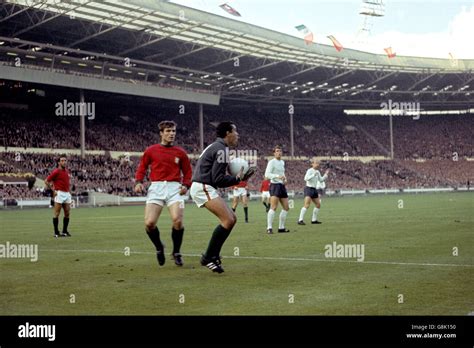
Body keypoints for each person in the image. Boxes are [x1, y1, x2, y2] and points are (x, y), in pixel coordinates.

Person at [190, 122, 255, 273]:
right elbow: (218, 179)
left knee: (231, 219)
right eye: (235, 131)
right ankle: (208, 257)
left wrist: (238, 179)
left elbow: (216, 178)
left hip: (203, 185)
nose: (237, 135)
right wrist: (238, 179)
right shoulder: (222, 150)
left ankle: (213, 255)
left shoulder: (217, 147)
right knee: (228, 220)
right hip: (202, 186)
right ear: (227, 133)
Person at [134, 120, 192, 267]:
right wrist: (138, 181)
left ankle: (176, 252)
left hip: (175, 189)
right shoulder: (151, 150)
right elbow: (142, 166)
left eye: (173, 131)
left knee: (177, 220)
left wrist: (186, 185)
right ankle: (159, 247)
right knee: (149, 223)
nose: (171, 134)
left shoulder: (181, 152)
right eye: (168, 131)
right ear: (161, 133)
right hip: (156, 188)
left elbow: (187, 172)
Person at [45, 155, 72, 238]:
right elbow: (46, 181)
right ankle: (56, 232)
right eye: (62, 160)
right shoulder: (56, 171)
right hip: (59, 193)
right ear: (59, 162)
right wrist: (53, 191)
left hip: (67, 193)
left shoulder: (67, 171)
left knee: (67, 213)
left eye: (65, 160)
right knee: (57, 213)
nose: (64, 162)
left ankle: (64, 231)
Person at [264, 146, 290, 234]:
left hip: (281, 185)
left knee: (286, 207)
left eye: (280, 151)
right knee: (274, 207)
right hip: (274, 185)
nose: (279, 152)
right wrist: (276, 176)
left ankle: (281, 228)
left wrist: (285, 179)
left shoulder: (282, 162)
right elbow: (267, 174)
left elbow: (282, 173)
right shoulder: (271, 162)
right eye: (277, 151)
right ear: (274, 153)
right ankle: (269, 228)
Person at [298, 158, 329, 225]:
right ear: (312, 164)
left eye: (318, 163)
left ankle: (314, 220)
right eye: (316, 163)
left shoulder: (317, 172)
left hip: (314, 189)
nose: (318, 164)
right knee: (307, 205)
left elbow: (320, 180)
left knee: (318, 205)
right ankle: (300, 220)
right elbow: (305, 178)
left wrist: (326, 175)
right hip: (308, 189)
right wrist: (313, 175)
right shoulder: (310, 170)